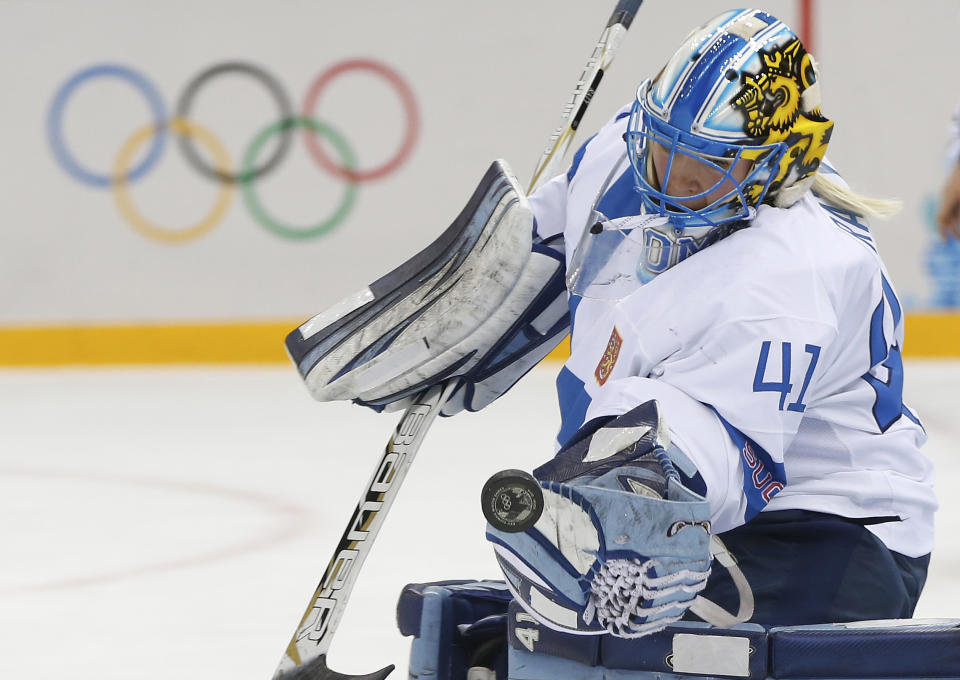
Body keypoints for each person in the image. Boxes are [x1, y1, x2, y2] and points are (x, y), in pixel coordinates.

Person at [484, 8, 936, 635]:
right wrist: (472, 293)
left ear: (774, 167)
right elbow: (544, 238)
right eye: (663, 149)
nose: (667, 181)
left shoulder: (788, 276)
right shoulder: (627, 158)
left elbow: (721, 450)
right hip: (743, 514)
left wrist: (629, 480)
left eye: (702, 168)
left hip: (831, 530)